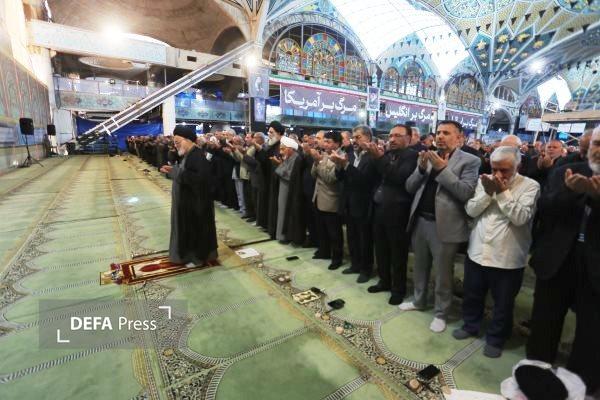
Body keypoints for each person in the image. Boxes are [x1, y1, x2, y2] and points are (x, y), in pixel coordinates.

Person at [526, 127, 600, 395]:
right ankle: (534, 376)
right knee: (544, 324)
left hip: (595, 268)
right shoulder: (566, 172)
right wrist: (570, 191)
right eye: (597, 144)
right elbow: (545, 209)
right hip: (557, 260)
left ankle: (579, 387)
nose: (599, 150)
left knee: (590, 334)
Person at [453, 146, 540, 358]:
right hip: (478, 251)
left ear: (518, 166)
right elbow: (471, 210)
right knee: (472, 294)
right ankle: (470, 325)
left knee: (503, 304)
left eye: (505, 170)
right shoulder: (485, 181)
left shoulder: (530, 186)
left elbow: (520, 218)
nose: (498, 175)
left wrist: (501, 192)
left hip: (507, 257)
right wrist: (487, 192)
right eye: (494, 169)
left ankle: (496, 338)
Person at [399, 120, 481, 333]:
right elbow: (409, 187)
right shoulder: (428, 156)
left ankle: (441, 313)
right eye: (438, 132)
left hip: (445, 226)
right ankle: (418, 300)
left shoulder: (470, 161)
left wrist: (442, 169)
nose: (440, 136)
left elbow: (465, 192)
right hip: (420, 221)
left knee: (443, 273)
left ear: (459, 138)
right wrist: (420, 168)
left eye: (446, 133)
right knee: (420, 266)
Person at [366, 124, 418, 304]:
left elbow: (398, 177)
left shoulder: (412, 156)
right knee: (381, 250)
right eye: (390, 136)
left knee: (397, 254)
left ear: (408, 139)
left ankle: (398, 289)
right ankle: (384, 281)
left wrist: (379, 158)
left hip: (398, 213)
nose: (392, 139)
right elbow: (377, 175)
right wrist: (375, 156)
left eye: (397, 136)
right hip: (379, 208)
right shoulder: (388, 154)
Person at [159, 126, 218, 267]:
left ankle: (197, 258)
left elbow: (199, 180)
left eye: (178, 142)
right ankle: (190, 256)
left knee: (196, 232)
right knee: (189, 231)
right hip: (189, 203)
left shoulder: (197, 156)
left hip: (196, 205)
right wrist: (173, 171)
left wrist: (175, 172)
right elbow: (186, 173)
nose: (175, 145)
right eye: (174, 142)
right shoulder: (189, 155)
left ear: (188, 140)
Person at [330, 125, 378, 283]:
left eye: (358, 137)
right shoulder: (350, 154)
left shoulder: (372, 156)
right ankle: (355, 265)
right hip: (349, 202)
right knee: (352, 237)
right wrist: (339, 166)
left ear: (368, 137)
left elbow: (364, 180)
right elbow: (341, 178)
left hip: (364, 204)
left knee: (365, 240)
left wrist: (346, 166)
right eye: (353, 137)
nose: (354, 141)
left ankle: (366, 269)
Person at [310, 131, 344, 270]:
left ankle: (337, 258)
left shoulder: (340, 157)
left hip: (331, 199)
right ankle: (324, 251)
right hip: (318, 196)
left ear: (337, 143)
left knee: (334, 232)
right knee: (321, 229)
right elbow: (313, 174)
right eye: (324, 141)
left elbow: (330, 178)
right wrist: (316, 161)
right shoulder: (324, 155)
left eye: (328, 142)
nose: (325, 144)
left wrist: (318, 161)